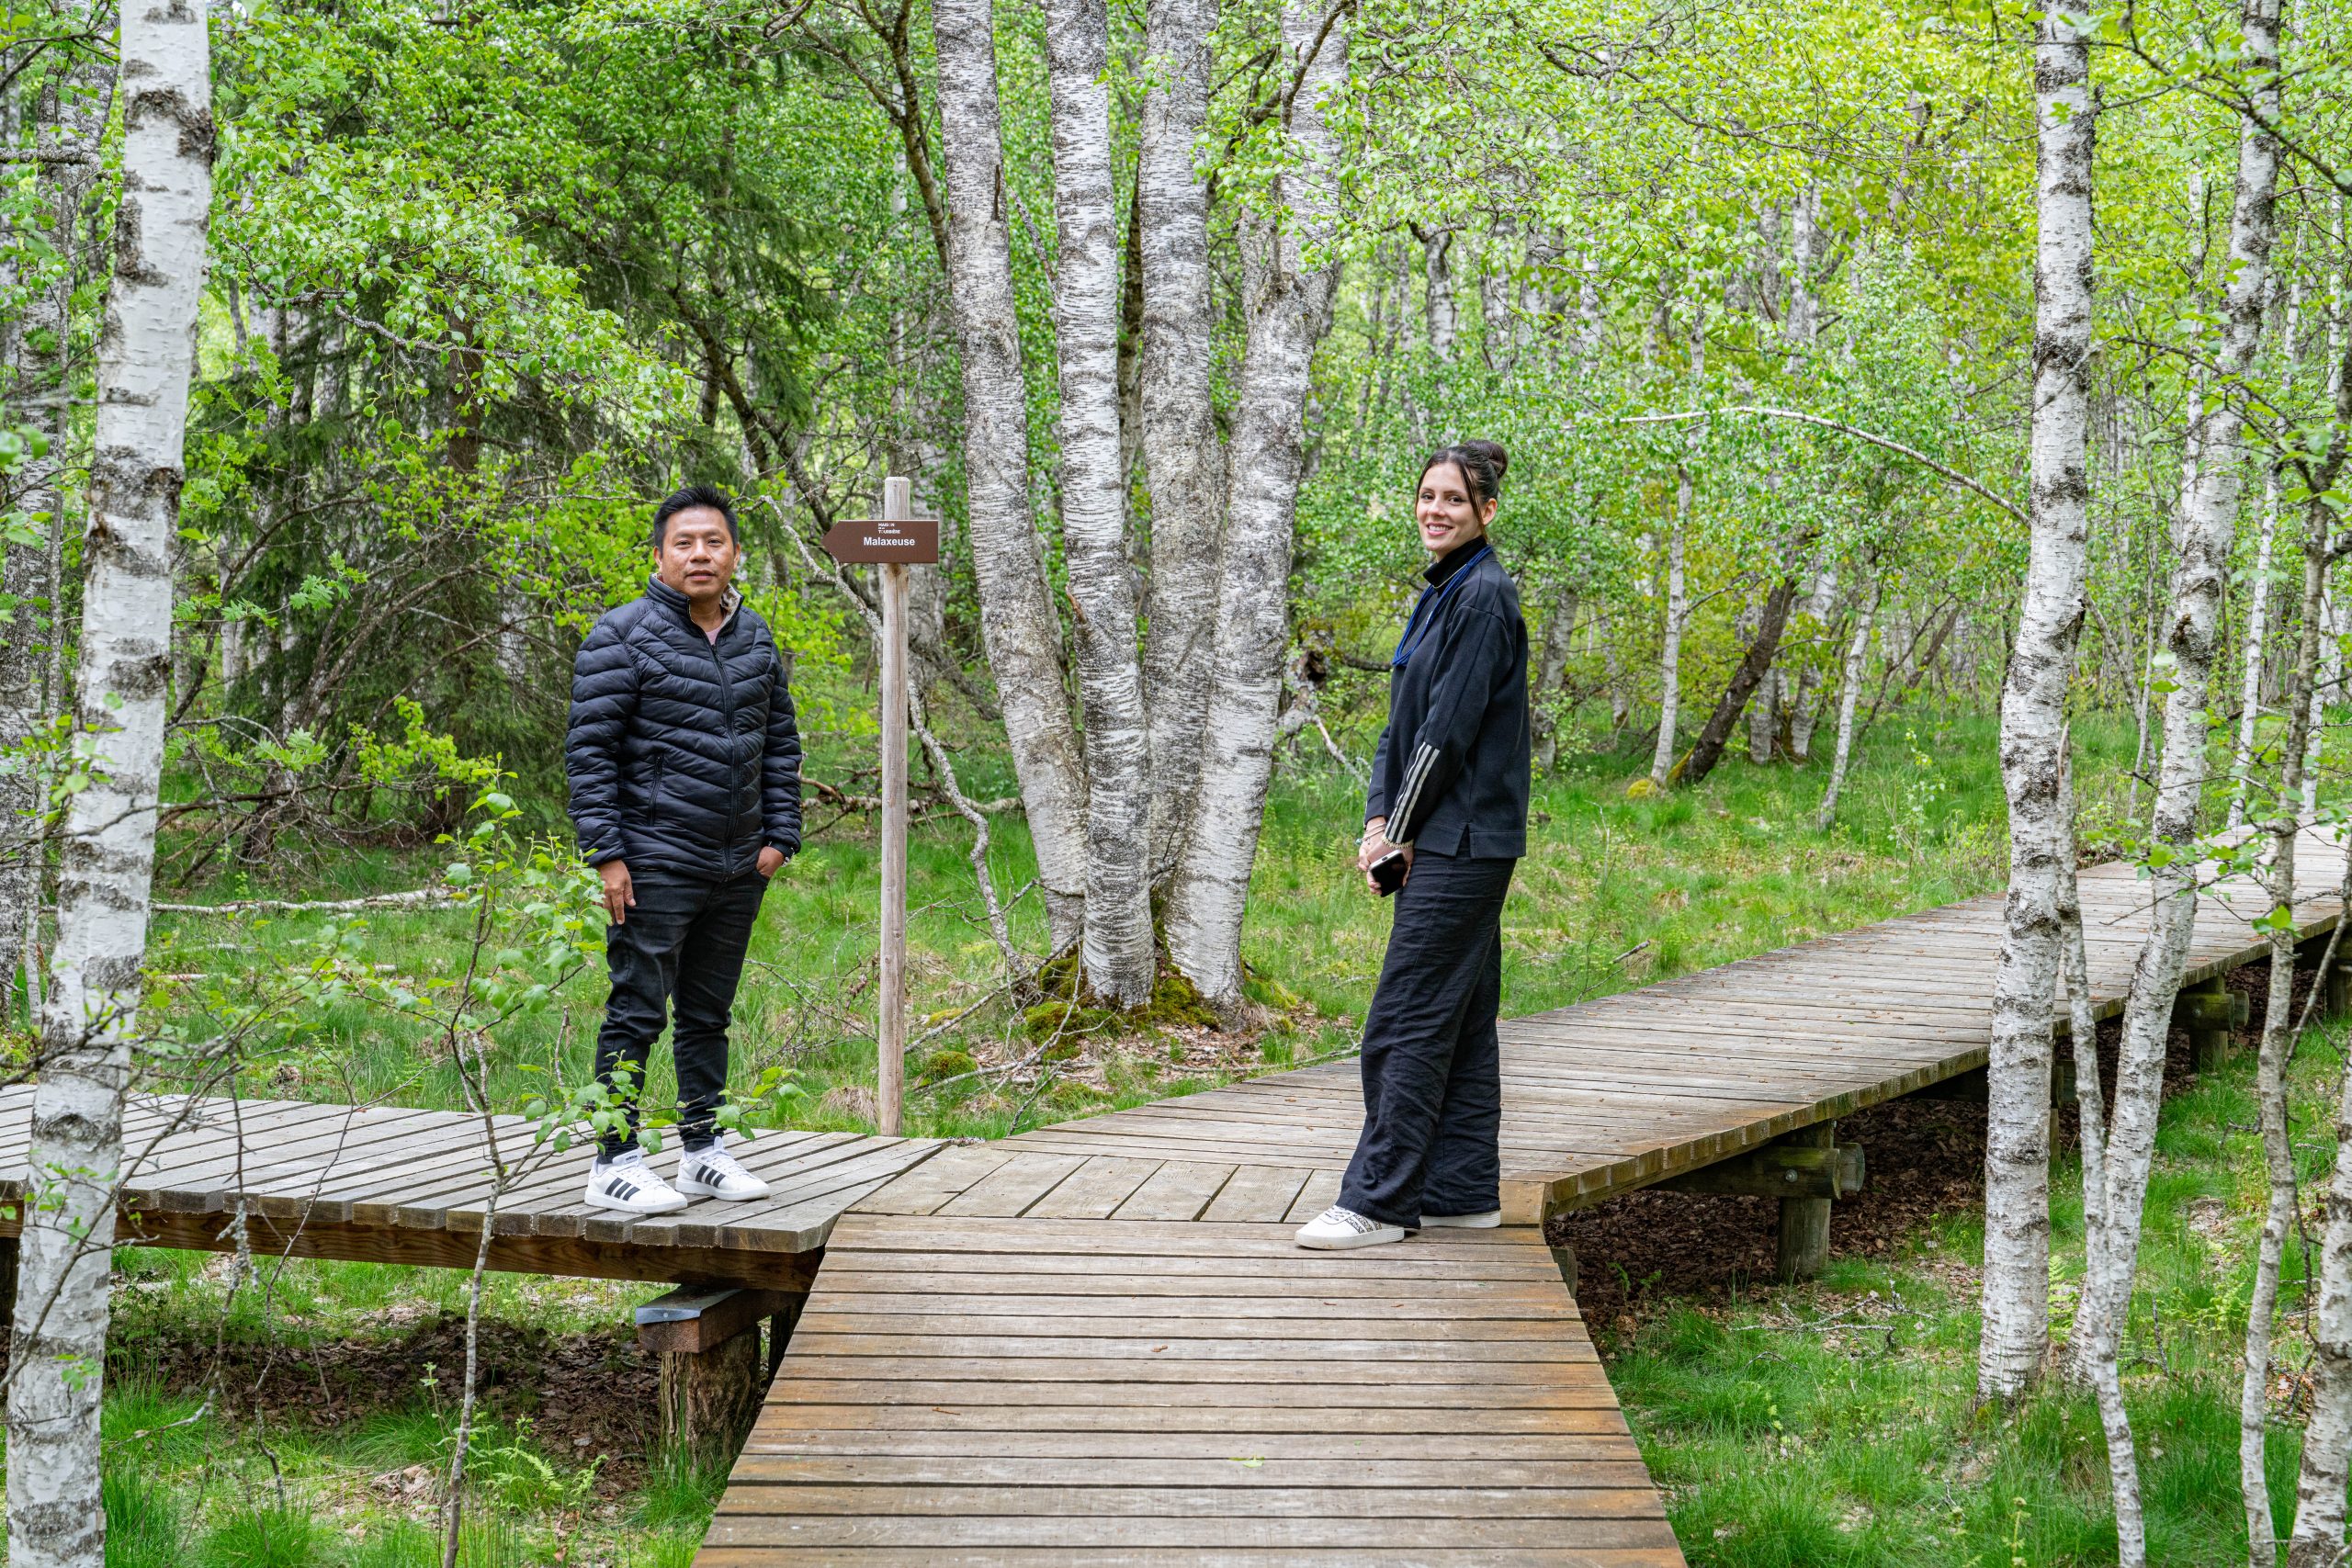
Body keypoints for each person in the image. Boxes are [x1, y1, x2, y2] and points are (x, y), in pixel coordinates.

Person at [1296, 440, 1531, 1250]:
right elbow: (1400, 727)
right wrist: (1376, 823)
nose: (1436, 510)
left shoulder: (1482, 599)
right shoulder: (1443, 592)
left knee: (1404, 1021)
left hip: (1464, 842)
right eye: (1428, 496)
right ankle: (1460, 1192)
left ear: (1488, 512)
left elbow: (1444, 736)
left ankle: (1378, 1200)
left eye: (1455, 500)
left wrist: (1396, 832)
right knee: (1461, 1020)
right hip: (1441, 833)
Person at [565, 483, 803, 1215]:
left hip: (738, 864)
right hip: (653, 859)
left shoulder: (755, 637)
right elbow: (590, 752)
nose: (700, 554)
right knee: (637, 1006)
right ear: (661, 554)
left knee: (708, 1011)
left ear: (734, 553)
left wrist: (780, 837)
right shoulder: (621, 635)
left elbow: (781, 743)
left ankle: (703, 1150)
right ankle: (614, 1161)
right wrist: (607, 851)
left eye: (714, 542)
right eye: (684, 543)